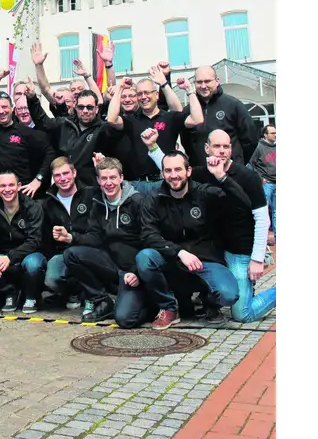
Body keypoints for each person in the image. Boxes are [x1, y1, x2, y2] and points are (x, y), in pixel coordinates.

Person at [128, 151, 248, 330]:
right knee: (145, 257)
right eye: (168, 170)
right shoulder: (153, 199)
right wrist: (179, 252)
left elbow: (242, 203)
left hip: (206, 261)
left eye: (178, 169)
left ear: (189, 171)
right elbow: (148, 235)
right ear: (162, 174)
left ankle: (209, 302)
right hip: (171, 260)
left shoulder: (205, 193)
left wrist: (221, 176)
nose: (173, 175)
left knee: (229, 295)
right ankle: (168, 307)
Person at [63, 156, 159, 324]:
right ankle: (102, 300)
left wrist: (137, 272)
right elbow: (94, 237)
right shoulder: (98, 202)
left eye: (113, 178)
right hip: (111, 264)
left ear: (121, 178)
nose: (108, 183)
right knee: (71, 254)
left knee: (124, 319)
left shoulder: (137, 202)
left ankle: (150, 304)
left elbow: (149, 240)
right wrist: (71, 237)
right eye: (104, 178)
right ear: (98, 181)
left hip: (133, 269)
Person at [202, 130, 275, 323]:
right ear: (207, 148)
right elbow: (173, 174)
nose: (222, 151)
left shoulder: (247, 177)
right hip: (214, 251)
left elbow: (262, 220)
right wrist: (153, 147)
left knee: (242, 314)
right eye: (217, 146)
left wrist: (257, 259)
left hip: (240, 253)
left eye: (226, 146)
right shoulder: (202, 173)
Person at [105, 64, 204, 195]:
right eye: (139, 94)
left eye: (147, 93)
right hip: (138, 185)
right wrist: (120, 89)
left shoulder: (170, 117)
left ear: (156, 95)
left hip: (165, 181)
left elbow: (197, 119)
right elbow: (111, 119)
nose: (143, 97)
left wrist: (189, 91)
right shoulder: (131, 120)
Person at [0, 170, 46, 313]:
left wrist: (10, 257)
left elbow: (35, 241)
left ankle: (32, 296)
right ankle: (10, 292)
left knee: (34, 263)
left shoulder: (33, 207)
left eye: (11, 185)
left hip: (28, 255)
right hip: (2, 257)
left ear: (19, 186)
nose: (7, 190)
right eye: (3, 186)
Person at [180, 65, 266, 177]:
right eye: (199, 82)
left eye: (207, 81)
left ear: (217, 81)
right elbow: (186, 142)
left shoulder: (233, 105)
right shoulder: (189, 110)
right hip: (201, 174)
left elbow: (250, 139)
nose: (203, 86)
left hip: (230, 173)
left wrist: (237, 162)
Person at [36, 156, 97, 309]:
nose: (62, 179)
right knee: (51, 278)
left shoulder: (90, 195)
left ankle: (92, 293)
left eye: (66, 173)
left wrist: (71, 238)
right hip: (61, 254)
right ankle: (74, 292)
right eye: (57, 175)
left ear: (74, 173)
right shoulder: (48, 203)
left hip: (88, 250)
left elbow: (97, 233)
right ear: (53, 178)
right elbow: (46, 239)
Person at [249, 124, 277, 244]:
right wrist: (260, 178)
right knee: (263, 211)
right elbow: (251, 164)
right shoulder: (259, 147)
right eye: (273, 133)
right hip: (267, 183)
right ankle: (262, 239)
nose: (275, 135)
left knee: (277, 211)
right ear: (265, 135)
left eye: (276, 133)